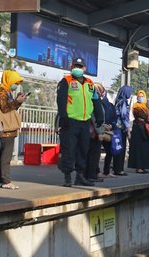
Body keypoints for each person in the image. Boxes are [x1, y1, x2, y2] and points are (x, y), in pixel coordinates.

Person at [56, 58, 100, 187]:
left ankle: (80, 176)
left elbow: (95, 100)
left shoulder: (90, 83)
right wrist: (63, 117)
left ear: (84, 68)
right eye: (76, 66)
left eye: (80, 66)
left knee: (83, 149)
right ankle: (67, 176)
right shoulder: (66, 81)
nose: (78, 68)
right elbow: (61, 100)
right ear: (71, 66)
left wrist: (100, 115)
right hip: (70, 121)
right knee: (69, 149)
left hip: (85, 121)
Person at [0, 70, 26, 190]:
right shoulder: (2, 91)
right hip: (6, 128)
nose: (16, 85)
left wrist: (18, 101)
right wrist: (16, 101)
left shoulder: (7, 92)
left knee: (3, 154)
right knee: (6, 156)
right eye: (15, 82)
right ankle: (6, 181)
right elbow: (5, 108)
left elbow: (11, 106)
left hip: (8, 128)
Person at [96, 84, 118, 178]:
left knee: (109, 151)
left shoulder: (110, 105)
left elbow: (114, 117)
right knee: (96, 151)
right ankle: (96, 171)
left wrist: (110, 125)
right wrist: (102, 125)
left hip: (108, 130)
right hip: (98, 129)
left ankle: (106, 171)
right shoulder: (94, 103)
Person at [128, 90, 149, 173]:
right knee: (138, 148)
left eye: (142, 96)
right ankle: (138, 167)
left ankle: (144, 166)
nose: (140, 98)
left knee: (145, 148)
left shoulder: (146, 107)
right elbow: (140, 115)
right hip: (138, 129)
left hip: (146, 129)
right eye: (139, 96)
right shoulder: (136, 106)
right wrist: (147, 117)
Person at [84, 83, 104, 182]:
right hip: (94, 132)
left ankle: (89, 175)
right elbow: (94, 117)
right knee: (93, 154)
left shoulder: (90, 100)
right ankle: (91, 175)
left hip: (91, 131)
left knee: (91, 154)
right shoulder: (94, 101)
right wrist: (100, 132)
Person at [113, 86, 133, 176]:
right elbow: (124, 116)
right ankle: (119, 170)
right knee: (122, 149)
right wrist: (128, 129)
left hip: (116, 128)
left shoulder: (118, 101)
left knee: (117, 148)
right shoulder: (123, 103)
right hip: (121, 129)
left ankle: (116, 168)